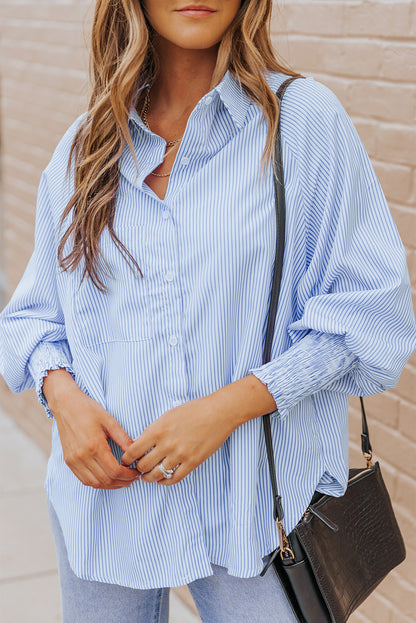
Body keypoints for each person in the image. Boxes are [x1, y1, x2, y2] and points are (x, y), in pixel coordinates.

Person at [1, 0, 415, 621]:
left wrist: (228, 408)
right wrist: (63, 400)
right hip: (107, 511)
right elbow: (33, 314)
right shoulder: (86, 149)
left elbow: (372, 313)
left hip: (250, 512)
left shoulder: (301, 123)